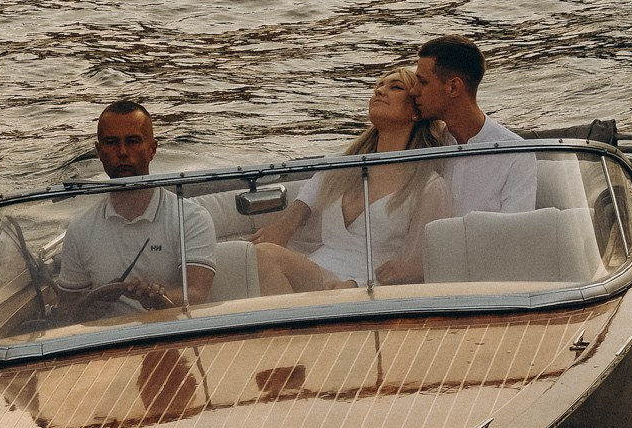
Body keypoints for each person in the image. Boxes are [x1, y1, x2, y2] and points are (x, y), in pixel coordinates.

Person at [251, 65, 452, 289]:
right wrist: (283, 227)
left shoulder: (428, 186)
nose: (379, 91)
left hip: (369, 286)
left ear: (416, 110)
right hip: (318, 271)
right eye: (378, 86)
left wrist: (356, 285)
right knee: (256, 256)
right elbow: (308, 196)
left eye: (395, 87)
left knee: (265, 256)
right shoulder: (344, 165)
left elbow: (419, 263)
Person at [50, 100, 215, 315]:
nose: (122, 152)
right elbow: (67, 308)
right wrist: (87, 305)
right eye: (111, 142)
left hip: (174, 338)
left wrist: (157, 298)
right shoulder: (80, 228)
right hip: (102, 343)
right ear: (99, 152)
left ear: (152, 149)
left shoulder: (191, 218)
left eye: (133, 141)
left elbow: (195, 295)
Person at [412, 35, 533, 215]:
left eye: (423, 82)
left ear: (453, 87)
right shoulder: (429, 147)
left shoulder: (515, 154)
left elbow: (514, 232)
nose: (414, 91)